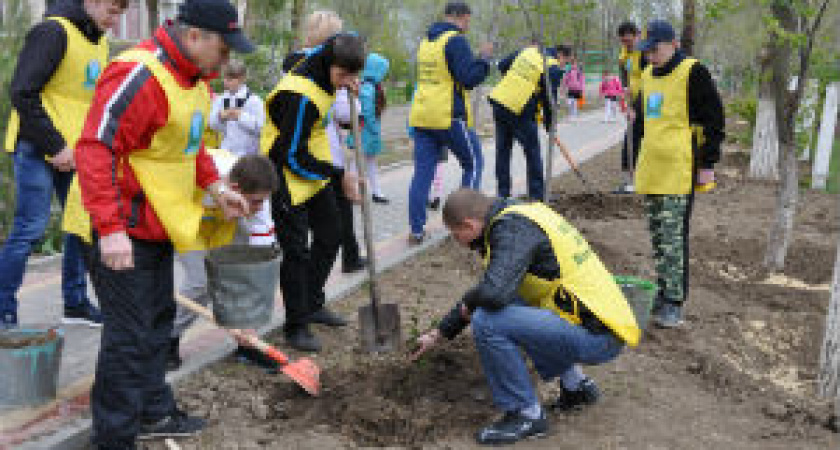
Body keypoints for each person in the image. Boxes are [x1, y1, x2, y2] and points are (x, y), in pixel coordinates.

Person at [68, 0, 255, 446]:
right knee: (128, 337)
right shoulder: (140, 74)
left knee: (156, 321)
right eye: (224, 50)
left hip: (155, 226)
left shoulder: (195, 83)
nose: (226, 60)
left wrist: (216, 190)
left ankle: (153, 412)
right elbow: (95, 148)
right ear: (195, 37)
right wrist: (110, 229)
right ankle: (114, 436)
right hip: (117, 226)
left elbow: (191, 151)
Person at [411, 188, 641, 446]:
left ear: (469, 224)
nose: (459, 242)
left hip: (600, 336)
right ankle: (577, 387)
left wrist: (472, 303)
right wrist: (439, 333)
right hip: (603, 323)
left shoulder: (512, 229)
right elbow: (494, 290)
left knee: (488, 322)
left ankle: (526, 414)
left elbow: (493, 294)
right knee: (512, 304)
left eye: (456, 235)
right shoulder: (521, 214)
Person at [0, 0, 127, 329]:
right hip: (38, 145)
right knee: (30, 227)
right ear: (92, 2)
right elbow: (22, 92)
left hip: (76, 153)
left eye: (120, 15)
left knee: (79, 225)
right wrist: (55, 146)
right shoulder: (52, 32)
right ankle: (3, 309)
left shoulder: (97, 42)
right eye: (112, 12)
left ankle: (75, 303)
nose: (115, 22)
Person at [261, 33, 365, 352]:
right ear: (329, 64)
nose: (346, 81)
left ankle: (312, 302)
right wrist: (338, 175)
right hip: (284, 172)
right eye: (342, 75)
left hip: (311, 162)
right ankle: (296, 325)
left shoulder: (325, 60)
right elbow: (287, 155)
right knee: (296, 251)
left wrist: (348, 83)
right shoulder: (300, 97)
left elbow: (335, 41)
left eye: (353, 75)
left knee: (332, 233)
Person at [630, 20, 724, 327]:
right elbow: (643, 121)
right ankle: (663, 288)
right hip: (652, 168)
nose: (651, 57)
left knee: (673, 236)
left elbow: (714, 119)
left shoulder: (693, 72)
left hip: (679, 169)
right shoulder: (646, 74)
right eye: (647, 51)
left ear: (674, 44)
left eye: (655, 50)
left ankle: (674, 300)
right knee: (658, 235)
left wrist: (708, 164)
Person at [168, 152, 278, 372]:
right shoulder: (192, 170)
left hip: (225, 222)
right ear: (235, 189)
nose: (260, 207)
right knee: (200, 282)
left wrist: (249, 323)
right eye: (256, 201)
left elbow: (258, 260)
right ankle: (168, 340)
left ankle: (248, 345)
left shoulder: (257, 199)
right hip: (187, 222)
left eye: (263, 201)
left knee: (243, 272)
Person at [407, 1, 493, 245]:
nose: (468, 25)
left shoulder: (426, 41)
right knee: (473, 163)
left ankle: (416, 230)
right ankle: (464, 223)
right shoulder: (455, 41)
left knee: (422, 173)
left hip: (423, 115)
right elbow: (468, 79)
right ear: (461, 17)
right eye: (468, 20)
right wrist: (484, 59)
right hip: (448, 115)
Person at [488, 44, 567, 200]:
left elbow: (503, 65)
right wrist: (550, 125)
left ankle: (503, 194)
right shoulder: (553, 67)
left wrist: (515, 82)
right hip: (520, 109)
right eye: (567, 61)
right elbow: (549, 100)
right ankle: (537, 195)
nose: (564, 65)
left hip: (500, 101)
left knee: (503, 151)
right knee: (532, 152)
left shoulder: (528, 50)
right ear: (561, 55)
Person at [348, 52, 391, 204]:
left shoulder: (371, 86)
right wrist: (374, 129)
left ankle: (376, 191)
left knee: (369, 162)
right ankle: (352, 191)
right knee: (358, 162)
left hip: (368, 132)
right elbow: (366, 111)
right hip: (365, 131)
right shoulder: (368, 88)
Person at [615, 21, 647, 194]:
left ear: (637, 36)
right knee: (631, 139)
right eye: (623, 41)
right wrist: (625, 88)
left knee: (638, 140)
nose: (626, 44)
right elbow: (623, 72)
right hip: (633, 100)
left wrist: (635, 108)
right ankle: (629, 181)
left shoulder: (645, 53)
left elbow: (649, 83)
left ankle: (638, 181)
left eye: (629, 40)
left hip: (648, 103)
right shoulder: (624, 53)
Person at [208, 59, 265, 156]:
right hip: (225, 152)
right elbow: (213, 125)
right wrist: (220, 117)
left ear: (242, 79)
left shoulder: (254, 101)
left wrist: (240, 116)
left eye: (230, 79)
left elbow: (261, 128)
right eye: (225, 78)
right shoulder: (221, 99)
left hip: (248, 155)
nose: (226, 82)